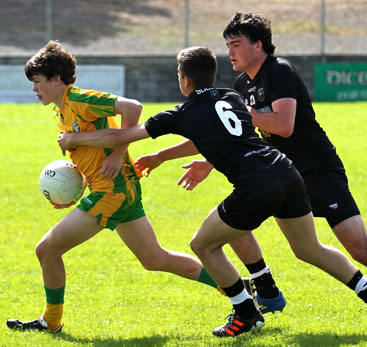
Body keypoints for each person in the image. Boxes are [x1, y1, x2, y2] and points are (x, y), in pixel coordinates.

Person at [57, 46, 367, 339]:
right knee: (309, 248)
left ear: (184, 79)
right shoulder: (231, 96)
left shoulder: (183, 111)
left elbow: (121, 137)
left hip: (256, 185)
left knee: (202, 244)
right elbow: (211, 135)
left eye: (179, 73)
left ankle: (245, 312)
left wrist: (75, 139)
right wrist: (161, 156)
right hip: (287, 171)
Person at [6, 40, 222, 333]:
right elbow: (94, 155)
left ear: (57, 79)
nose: (35, 89)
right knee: (155, 258)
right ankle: (235, 286)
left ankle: (51, 321)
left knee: (47, 250)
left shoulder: (80, 99)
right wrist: (73, 191)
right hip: (115, 188)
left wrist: (120, 152)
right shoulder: (61, 110)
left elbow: (132, 107)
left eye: (38, 82)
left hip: (113, 192)